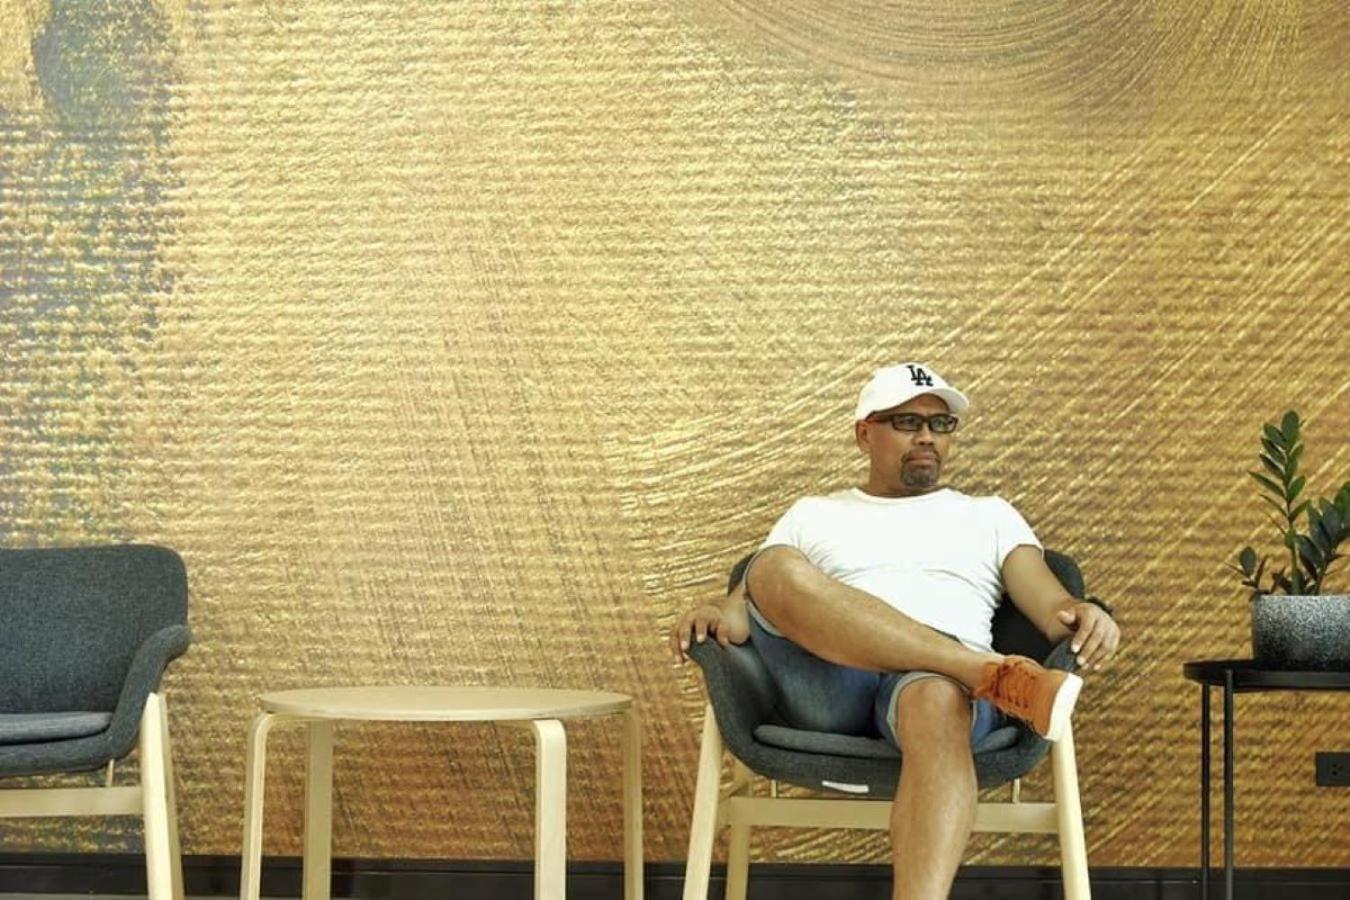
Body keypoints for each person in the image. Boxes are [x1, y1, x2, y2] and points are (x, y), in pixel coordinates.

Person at [670, 362, 1121, 900]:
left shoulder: (991, 516)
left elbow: (1054, 606)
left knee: (936, 696)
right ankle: (984, 672)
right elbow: (748, 607)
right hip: (828, 680)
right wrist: (716, 610)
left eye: (941, 424)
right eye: (907, 422)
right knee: (768, 568)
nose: (927, 436)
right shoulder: (813, 513)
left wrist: (1088, 611)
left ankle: (964, 673)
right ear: (865, 434)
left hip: (934, 692)